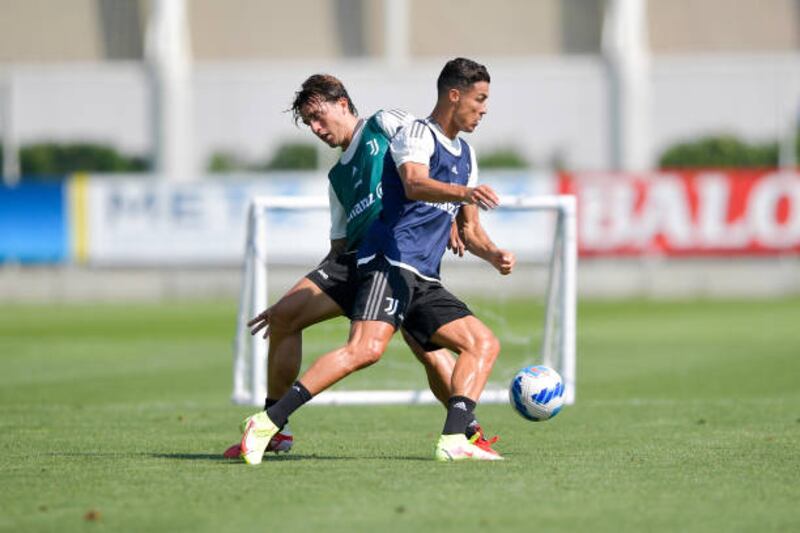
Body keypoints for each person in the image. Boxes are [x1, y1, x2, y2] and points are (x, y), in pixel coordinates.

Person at [238, 58, 515, 464]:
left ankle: (460, 435)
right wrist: (454, 196)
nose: (316, 128)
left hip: (419, 269)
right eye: (481, 99)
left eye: (318, 116)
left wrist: (489, 249)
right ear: (456, 96)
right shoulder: (339, 179)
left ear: (343, 103)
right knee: (350, 342)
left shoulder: (390, 125)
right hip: (381, 258)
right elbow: (408, 186)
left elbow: (430, 184)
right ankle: (270, 424)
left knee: (465, 346)